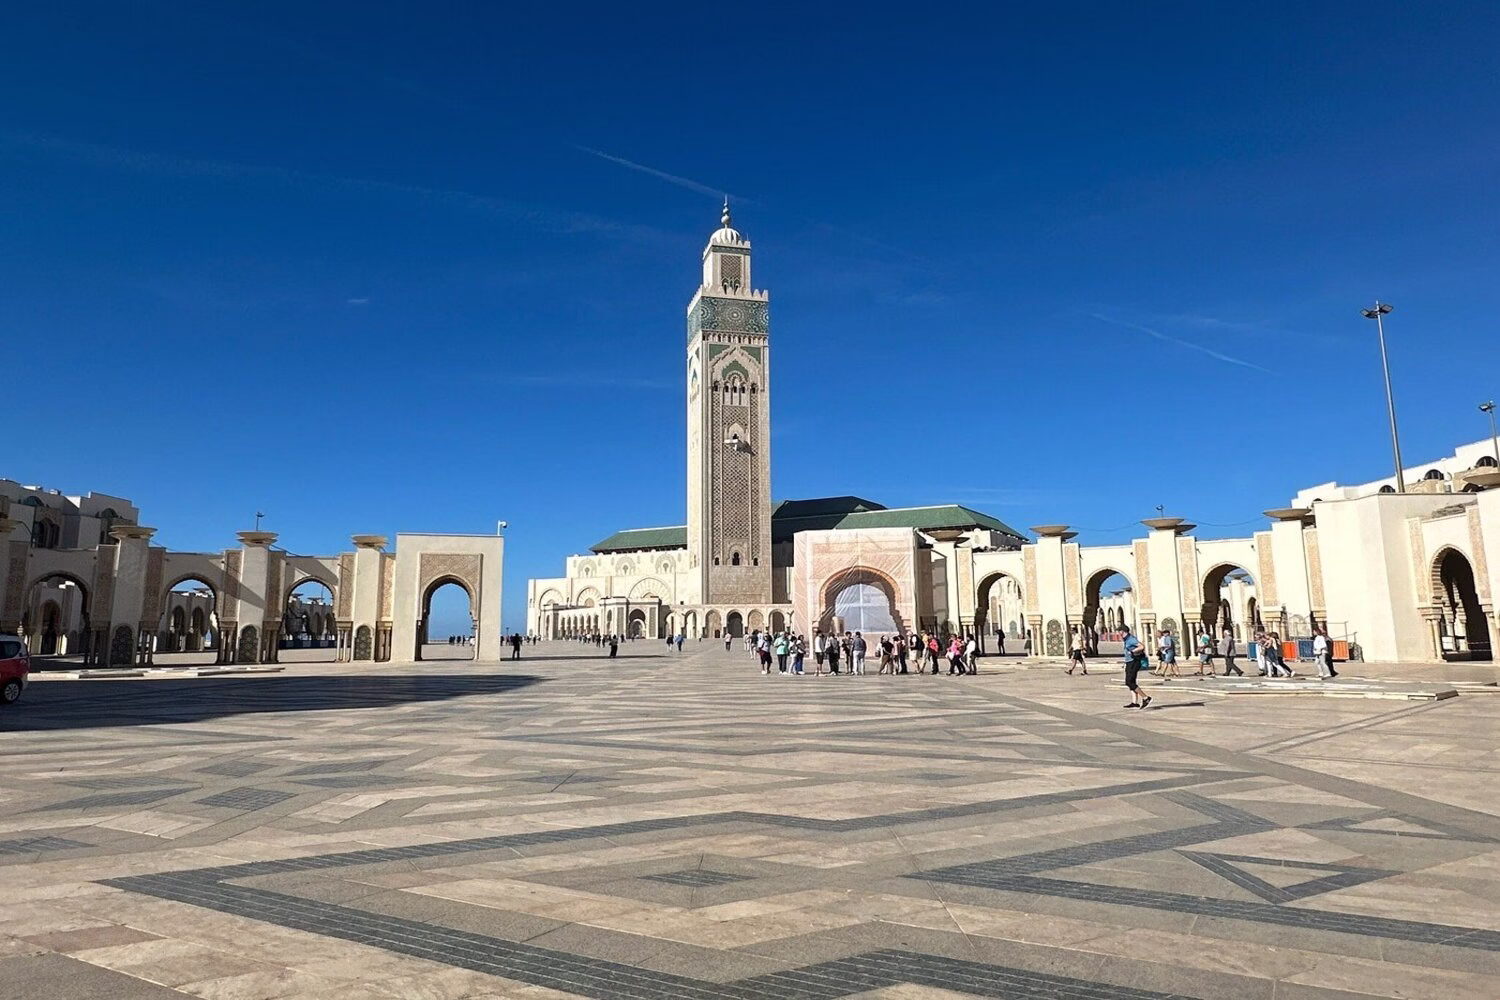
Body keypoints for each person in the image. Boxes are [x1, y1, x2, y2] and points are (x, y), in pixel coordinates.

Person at [1121, 624, 1153, 709]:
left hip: (1134, 662)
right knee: (1131, 681)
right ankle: (1134, 702)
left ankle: (1145, 697)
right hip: (1129, 662)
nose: (1118, 632)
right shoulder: (1126, 639)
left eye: (1119, 631)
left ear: (1123, 631)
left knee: (1129, 682)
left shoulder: (1131, 639)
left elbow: (1142, 646)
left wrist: (1133, 652)